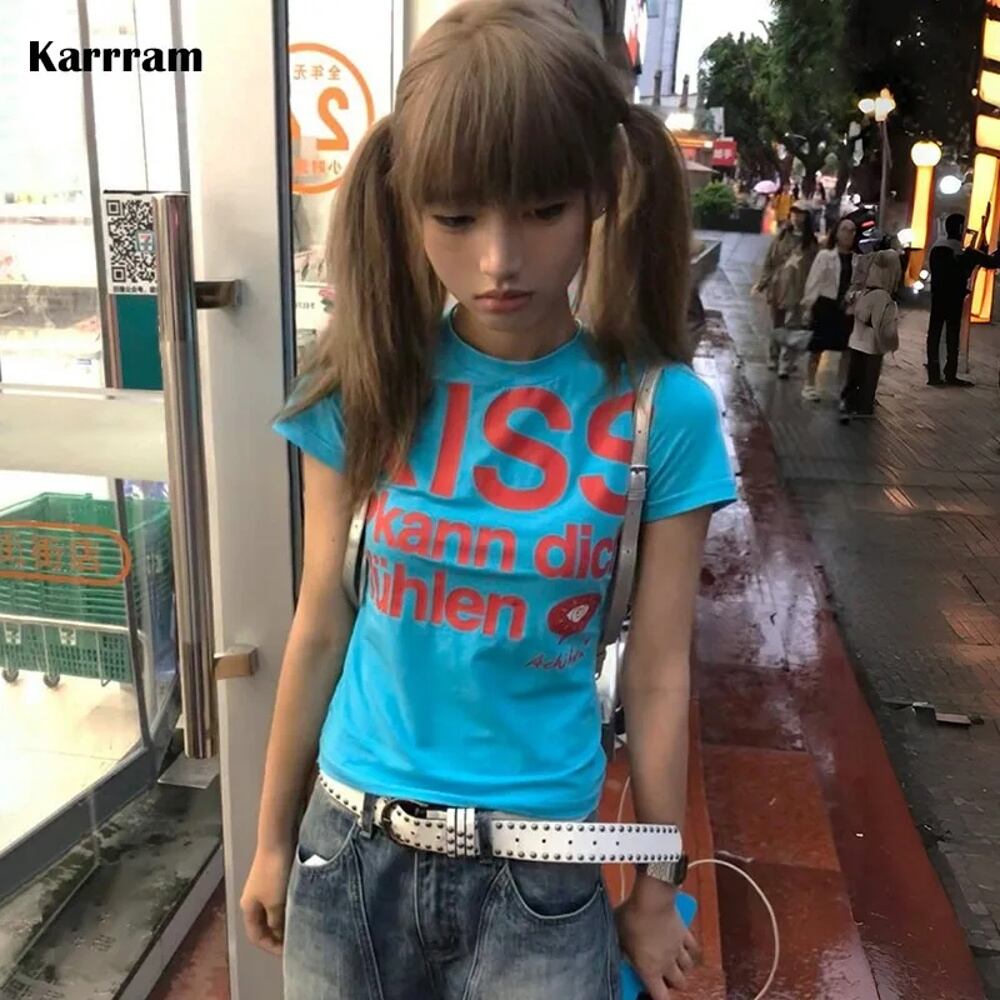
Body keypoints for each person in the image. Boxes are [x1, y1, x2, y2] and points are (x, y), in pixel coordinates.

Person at [240, 2, 738, 998]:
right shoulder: (364, 388)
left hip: (540, 881)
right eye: (457, 218)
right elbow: (322, 623)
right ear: (409, 206)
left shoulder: (663, 416)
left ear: (599, 192)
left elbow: (656, 673)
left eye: (542, 210)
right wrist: (270, 837)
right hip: (348, 856)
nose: (500, 260)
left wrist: (655, 886)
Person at [926, 212, 1000, 387]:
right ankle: (950, 374)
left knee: (935, 335)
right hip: (954, 300)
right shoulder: (964, 253)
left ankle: (934, 374)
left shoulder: (937, 248)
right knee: (952, 336)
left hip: (938, 298)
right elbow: (992, 262)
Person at [755, 200, 819, 377]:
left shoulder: (811, 244)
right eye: (794, 212)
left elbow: (814, 269)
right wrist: (763, 283)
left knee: (793, 327)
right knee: (777, 324)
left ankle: (786, 362)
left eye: (801, 213)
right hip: (778, 287)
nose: (796, 217)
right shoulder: (781, 237)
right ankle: (773, 356)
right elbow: (770, 261)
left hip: (799, 291)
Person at [800, 218, 860, 401]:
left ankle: (842, 388)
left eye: (852, 230)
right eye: (844, 230)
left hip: (847, 308)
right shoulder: (825, 256)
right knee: (817, 347)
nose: (848, 234)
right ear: (837, 233)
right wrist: (808, 306)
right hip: (825, 305)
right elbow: (814, 281)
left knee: (847, 350)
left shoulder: (858, 259)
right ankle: (809, 384)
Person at [841, 249, 902, 422]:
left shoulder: (864, 291)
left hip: (856, 340)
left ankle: (850, 402)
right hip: (872, 345)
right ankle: (864, 406)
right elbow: (880, 324)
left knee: (855, 374)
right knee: (868, 377)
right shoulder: (883, 296)